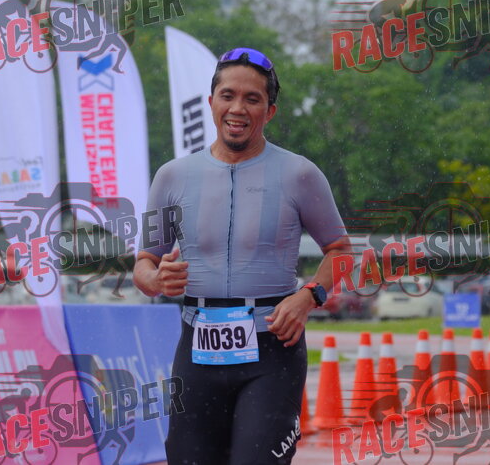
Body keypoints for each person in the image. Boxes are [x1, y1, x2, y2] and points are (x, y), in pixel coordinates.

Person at [133, 47, 351, 464]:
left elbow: (340, 253)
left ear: (270, 111)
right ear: (211, 102)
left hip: (273, 351)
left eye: (252, 99)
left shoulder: (300, 174)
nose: (238, 108)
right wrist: (156, 279)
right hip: (196, 351)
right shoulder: (172, 177)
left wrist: (309, 296)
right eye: (228, 95)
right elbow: (144, 263)